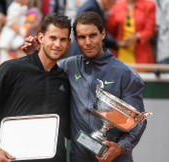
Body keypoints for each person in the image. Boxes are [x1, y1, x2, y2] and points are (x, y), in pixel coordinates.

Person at [22, 11, 147, 162]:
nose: (87, 42)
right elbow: (47, 74)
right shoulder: (69, 65)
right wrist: (37, 53)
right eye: (82, 37)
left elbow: (138, 121)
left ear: (103, 34)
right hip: (78, 157)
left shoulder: (126, 74)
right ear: (75, 40)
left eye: (92, 35)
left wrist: (120, 147)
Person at [0, 13, 71, 162]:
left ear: (68, 42)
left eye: (62, 39)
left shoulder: (64, 79)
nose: (57, 44)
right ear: (41, 38)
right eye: (53, 38)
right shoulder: (12, 69)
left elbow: (69, 129)